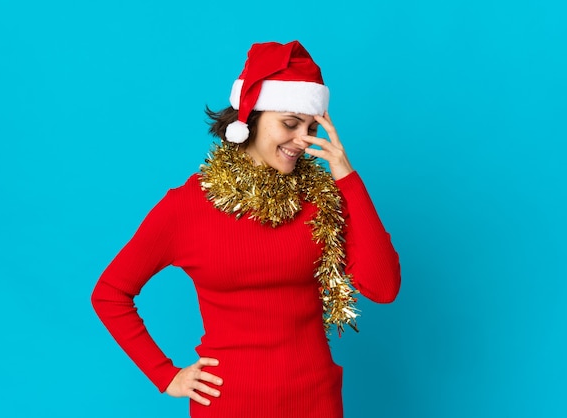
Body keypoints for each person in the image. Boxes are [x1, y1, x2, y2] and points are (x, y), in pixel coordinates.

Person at [91, 40, 400, 418]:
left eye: (311, 127)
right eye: (289, 123)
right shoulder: (187, 206)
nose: (302, 140)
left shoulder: (320, 200)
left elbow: (383, 288)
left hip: (314, 401)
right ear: (250, 116)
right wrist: (165, 375)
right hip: (228, 405)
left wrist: (347, 178)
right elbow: (110, 293)